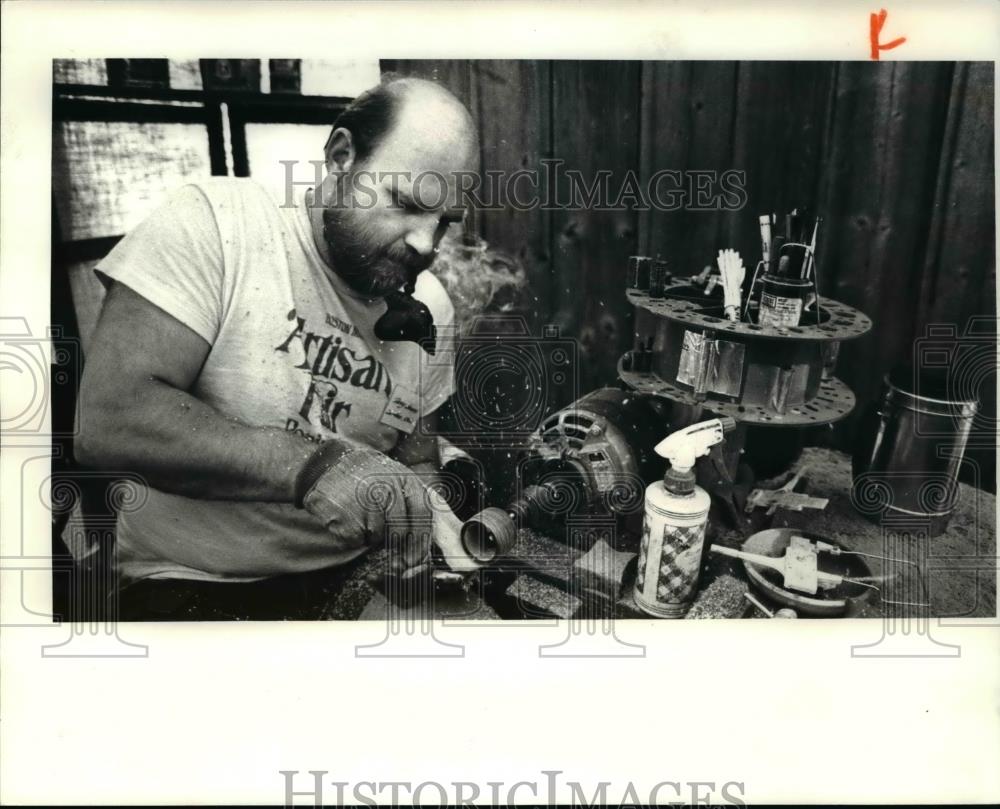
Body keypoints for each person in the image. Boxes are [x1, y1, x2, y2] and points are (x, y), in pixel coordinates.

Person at [75, 76, 480, 619]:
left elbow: (415, 453)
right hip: (194, 577)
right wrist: (315, 467)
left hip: (358, 572)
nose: (425, 244)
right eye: (407, 203)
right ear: (341, 156)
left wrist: (425, 517)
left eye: (445, 223)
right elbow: (109, 420)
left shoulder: (430, 306)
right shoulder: (217, 224)